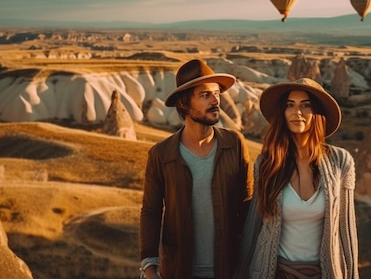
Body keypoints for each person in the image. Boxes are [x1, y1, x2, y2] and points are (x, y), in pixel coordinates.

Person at [139, 59, 254, 279]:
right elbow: (151, 212)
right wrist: (148, 266)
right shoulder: (161, 155)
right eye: (205, 95)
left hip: (230, 270)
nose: (215, 101)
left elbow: (247, 207)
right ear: (184, 104)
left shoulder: (235, 144)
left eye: (217, 94)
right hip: (179, 271)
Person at [236, 78, 359, 279]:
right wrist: (241, 273)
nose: (297, 112)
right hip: (275, 273)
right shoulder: (267, 163)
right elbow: (253, 227)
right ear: (282, 113)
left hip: (324, 273)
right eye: (290, 105)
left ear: (317, 113)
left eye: (305, 105)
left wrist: (352, 275)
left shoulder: (340, 161)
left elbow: (347, 232)